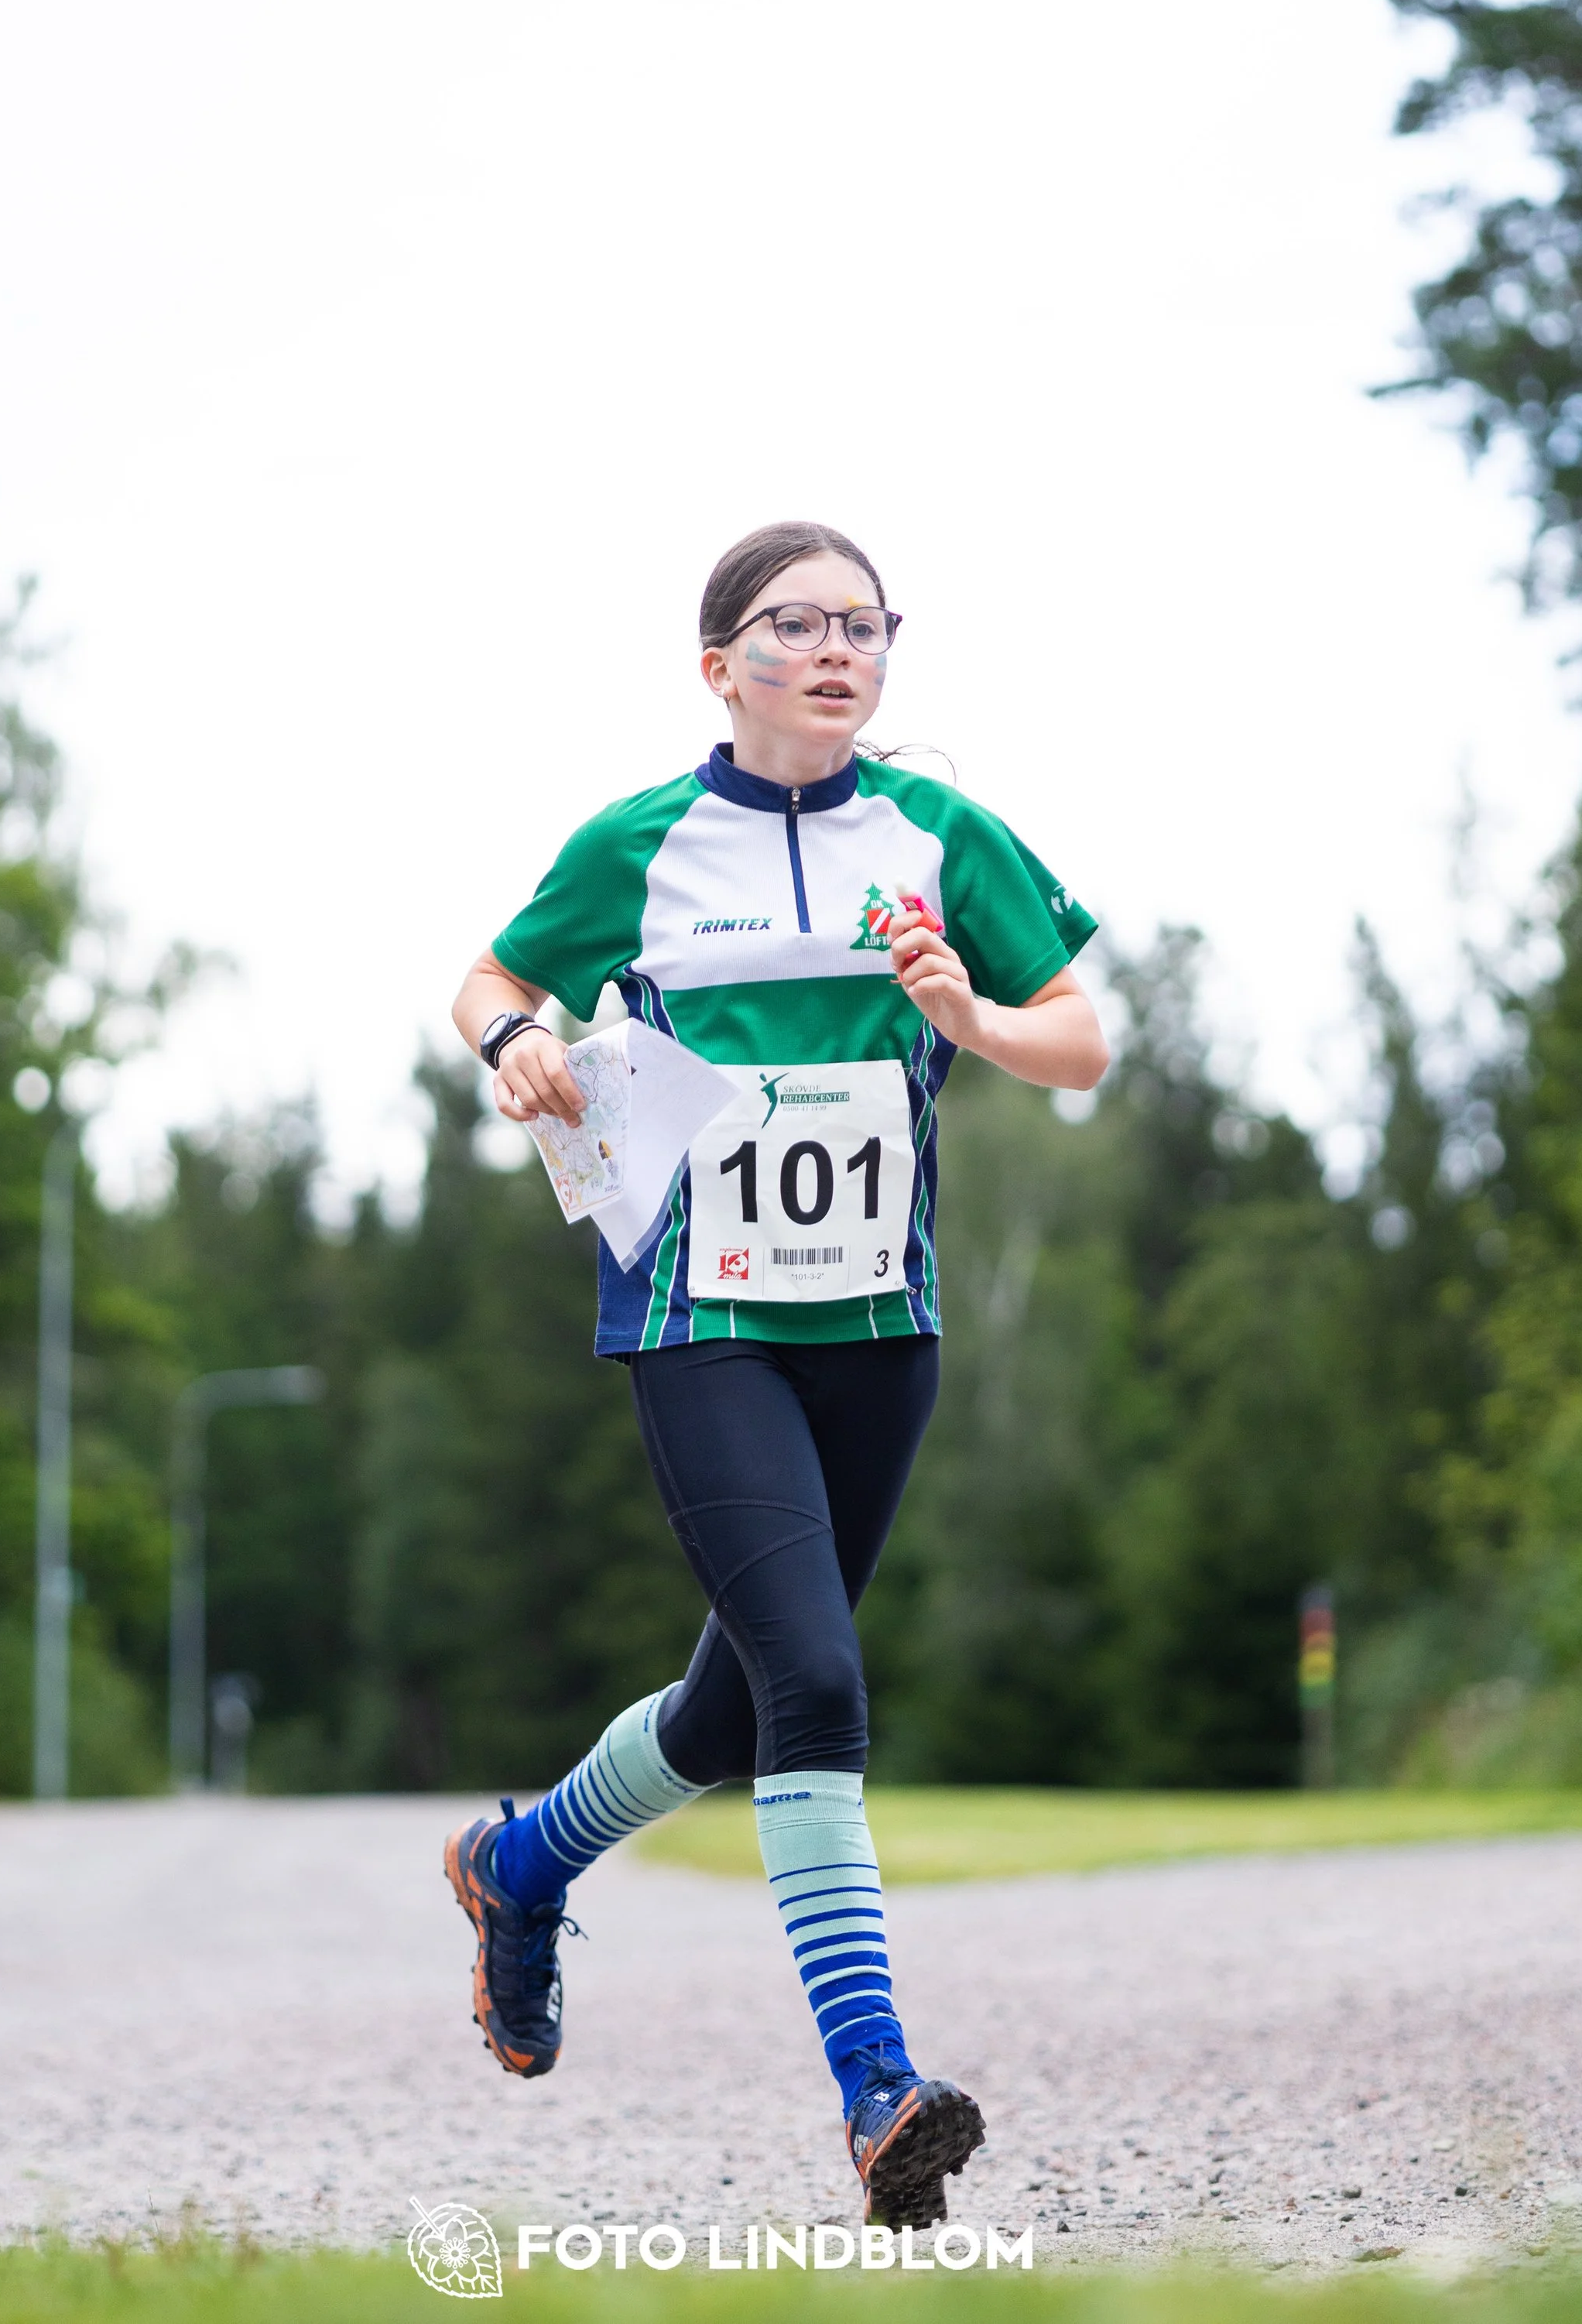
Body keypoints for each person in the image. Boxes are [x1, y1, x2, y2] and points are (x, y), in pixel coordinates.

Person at [444, 519, 1107, 2229]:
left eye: (863, 625)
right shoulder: (643, 839)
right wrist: (520, 1038)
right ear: (717, 660)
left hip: (878, 1329)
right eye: (793, 623)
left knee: (735, 1707)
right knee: (812, 1680)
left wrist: (967, 1017)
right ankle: (879, 2088)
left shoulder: (941, 833)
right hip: (697, 1314)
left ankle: (519, 1863)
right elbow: (490, 977)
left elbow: (1080, 1037)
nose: (836, 648)